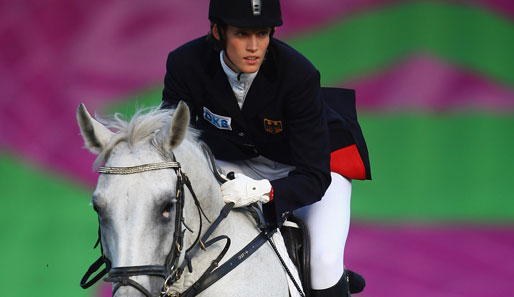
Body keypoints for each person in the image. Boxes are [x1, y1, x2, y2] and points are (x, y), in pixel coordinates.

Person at [161, 0, 371, 296]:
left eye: (262, 34)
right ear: (217, 32)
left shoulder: (298, 74)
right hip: (234, 159)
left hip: (310, 167)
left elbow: (314, 176)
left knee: (324, 261)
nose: (254, 46)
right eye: (242, 34)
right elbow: (172, 142)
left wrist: (263, 192)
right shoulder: (186, 64)